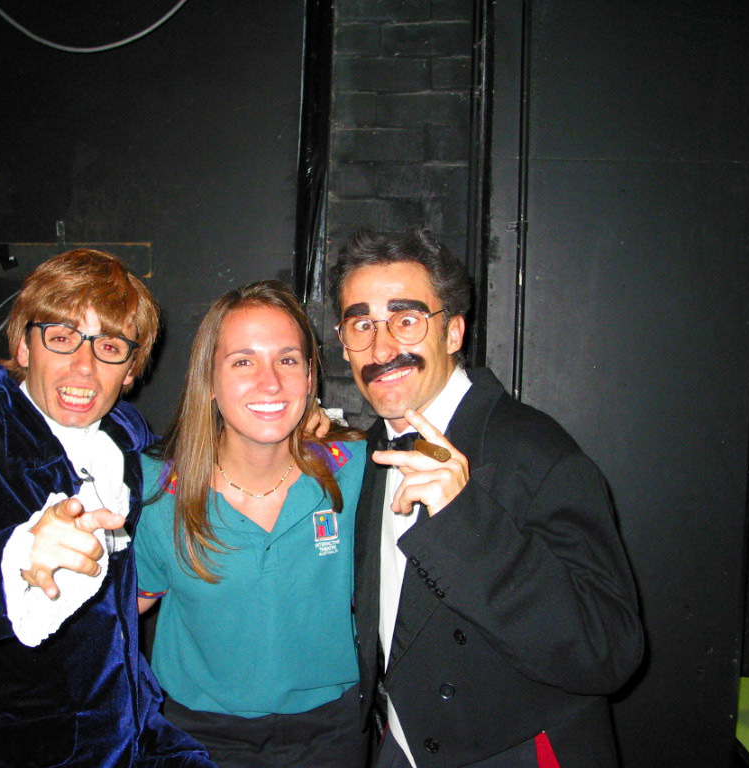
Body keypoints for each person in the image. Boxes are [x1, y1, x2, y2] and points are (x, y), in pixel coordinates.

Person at [0, 249, 214, 768]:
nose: (84, 366)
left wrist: (307, 436)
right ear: (25, 347)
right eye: (61, 337)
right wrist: (17, 559)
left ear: (130, 371)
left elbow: (229, 453)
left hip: (143, 748)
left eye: (110, 346)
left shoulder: (135, 451)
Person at [330, 229, 644, 768]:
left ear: (453, 332)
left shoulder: (536, 451)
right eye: (362, 325)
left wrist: (466, 519)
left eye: (405, 320)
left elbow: (609, 652)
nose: (381, 349)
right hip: (402, 745)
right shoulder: (373, 448)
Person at [132, 280, 370, 768]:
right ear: (210, 382)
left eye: (287, 360)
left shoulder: (358, 469)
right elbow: (120, 610)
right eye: (243, 361)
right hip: (200, 736)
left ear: (309, 377)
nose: (270, 383)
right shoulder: (155, 490)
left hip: (333, 731)